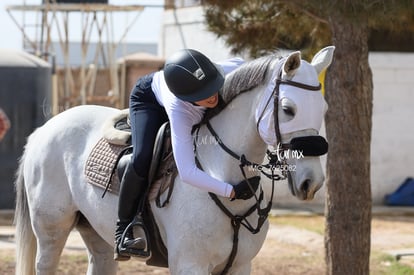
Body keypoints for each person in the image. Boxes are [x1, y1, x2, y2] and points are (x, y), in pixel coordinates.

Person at [114, 49, 259, 261]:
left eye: (213, 87)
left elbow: (258, 67)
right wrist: (231, 191)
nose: (212, 96)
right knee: (142, 157)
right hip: (149, 99)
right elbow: (187, 172)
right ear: (189, 98)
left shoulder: (227, 70)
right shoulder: (180, 112)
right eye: (203, 95)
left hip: (181, 89)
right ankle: (122, 229)